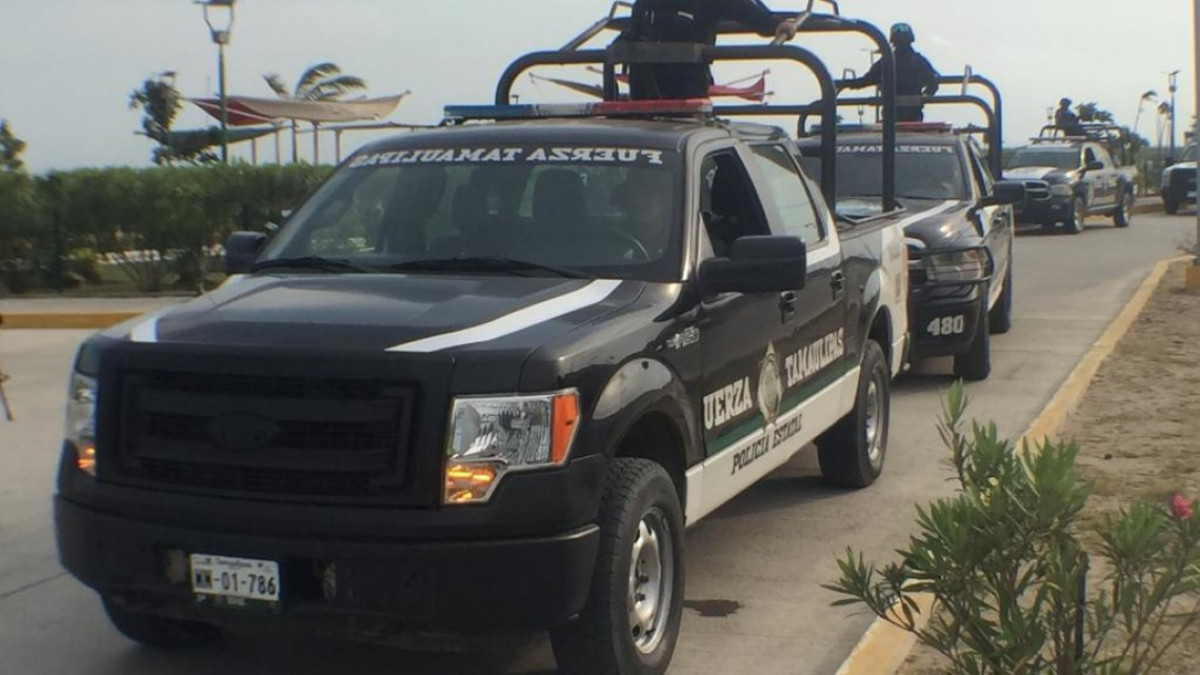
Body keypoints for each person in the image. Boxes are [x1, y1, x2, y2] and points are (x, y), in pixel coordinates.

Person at [624, 0, 799, 100]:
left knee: (686, 128)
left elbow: (745, 10)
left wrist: (776, 24)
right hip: (644, 79)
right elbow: (634, 27)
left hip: (686, 81)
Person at [839, 22, 940, 122]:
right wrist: (923, 97)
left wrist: (844, 83)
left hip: (894, 116)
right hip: (909, 115)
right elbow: (934, 83)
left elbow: (865, 80)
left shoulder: (888, 62)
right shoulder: (918, 61)